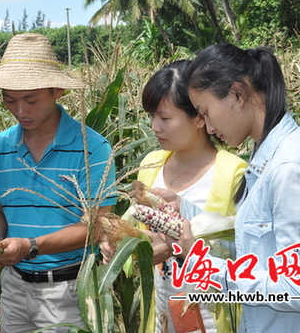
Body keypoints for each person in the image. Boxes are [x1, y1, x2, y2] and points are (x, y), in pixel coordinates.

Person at [166, 44, 300, 333]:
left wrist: (200, 263)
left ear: (237, 94)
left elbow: (296, 290)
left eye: (205, 112)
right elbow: (257, 249)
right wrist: (184, 209)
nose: (206, 127)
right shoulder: (265, 154)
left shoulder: (288, 169)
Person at [0, 33, 117, 333]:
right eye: (9, 100)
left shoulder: (93, 148)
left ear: (58, 91)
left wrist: (32, 246)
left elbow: (97, 225)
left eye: (31, 100)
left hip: (69, 291)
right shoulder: (1, 146)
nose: (20, 111)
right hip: (14, 287)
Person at [101, 60, 247, 333]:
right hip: (161, 316)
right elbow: (139, 233)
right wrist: (117, 245)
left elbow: (247, 251)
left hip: (213, 318)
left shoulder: (233, 173)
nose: (155, 127)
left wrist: (176, 246)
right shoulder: (150, 164)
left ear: (200, 117)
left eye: (165, 118)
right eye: (151, 116)